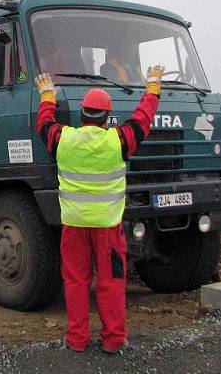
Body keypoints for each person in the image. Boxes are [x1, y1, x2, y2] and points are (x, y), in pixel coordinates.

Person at [34, 65, 164, 354]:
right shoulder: (117, 141)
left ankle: (76, 340)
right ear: (106, 118)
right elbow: (142, 120)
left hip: (74, 227)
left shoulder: (63, 140)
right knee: (111, 282)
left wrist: (47, 97)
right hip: (107, 228)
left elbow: (43, 124)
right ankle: (114, 340)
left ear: (82, 115)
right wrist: (152, 88)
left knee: (76, 282)